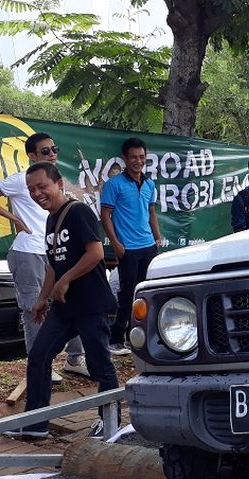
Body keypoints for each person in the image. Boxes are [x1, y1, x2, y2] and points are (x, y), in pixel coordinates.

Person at [5, 162, 119, 439]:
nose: (36, 193)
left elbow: (95, 254)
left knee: (98, 363)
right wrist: (42, 298)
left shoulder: (78, 211)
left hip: (91, 304)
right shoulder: (50, 220)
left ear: (59, 184)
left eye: (42, 187)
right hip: (64, 307)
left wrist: (66, 280)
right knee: (39, 355)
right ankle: (35, 424)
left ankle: (110, 421)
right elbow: (53, 265)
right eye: (31, 189)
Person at [0, 133, 88, 379]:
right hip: (28, 252)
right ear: (32, 156)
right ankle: (39, 364)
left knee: (73, 300)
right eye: (45, 151)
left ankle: (75, 359)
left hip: (56, 250)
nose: (52, 154)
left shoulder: (57, 181)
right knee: (34, 309)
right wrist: (14, 218)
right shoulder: (19, 180)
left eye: (54, 149)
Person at [101, 137, 161, 354]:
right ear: (125, 158)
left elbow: (151, 211)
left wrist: (157, 236)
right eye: (134, 157)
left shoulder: (149, 184)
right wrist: (116, 243)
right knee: (127, 294)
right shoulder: (114, 184)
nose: (138, 161)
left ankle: (137, 337)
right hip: (128, 248)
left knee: (147, 292)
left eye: (142, 157)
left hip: (148, 247)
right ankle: (116, 338)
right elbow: (105, 215)